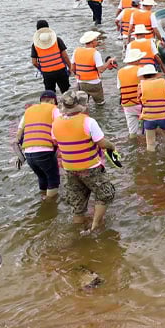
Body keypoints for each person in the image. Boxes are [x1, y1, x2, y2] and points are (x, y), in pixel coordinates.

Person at [51, 91, 117, 232]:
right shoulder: (88, 121)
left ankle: (77, 233)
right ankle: (95, 226)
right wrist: (112, 146)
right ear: (81, 105)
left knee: (78, 202)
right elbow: (102, 143)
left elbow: (56, 142)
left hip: (69, 168)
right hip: (90, 167)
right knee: (105, 194)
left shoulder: (55, 123)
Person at [16, 91, 60, 200]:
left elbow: (18, 134)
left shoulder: (28, 111)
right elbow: (61, 126)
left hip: (28, 153)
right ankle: (48, 205)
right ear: (53, 100)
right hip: (44, 151)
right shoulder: (54, 109)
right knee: (52, 178)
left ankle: (42, 197)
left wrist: (19, 155)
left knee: (42, 176)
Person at [71, 31, 116, 105]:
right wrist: (109, 62)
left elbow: (72, 68)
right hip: (94, 83)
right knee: (100, 105)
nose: (97, 41)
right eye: (96, 40)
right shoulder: (95, 53)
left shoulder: (76, 51)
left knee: (83, 105)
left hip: (80, 83)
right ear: (92, 42)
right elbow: (101, 70)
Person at [136, 65, 165, 151]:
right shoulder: (163, 83)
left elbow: (139, 100)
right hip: (164, 117)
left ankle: (151, 162)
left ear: (143, 76)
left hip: (149, 118)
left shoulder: (140, 86)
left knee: (150, 144)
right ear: (154, 74)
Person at [30, 23, 71, 94]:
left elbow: (34, 62)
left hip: (47, 73)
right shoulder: (57, 40)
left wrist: (42, 68)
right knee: (66, 91)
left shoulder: (35, 45)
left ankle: (53, 104)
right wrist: (70, 67)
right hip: (60, 70)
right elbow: (65, 56)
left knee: (50, 93)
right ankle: (67, 104)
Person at [116, 48, 145, 140]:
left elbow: (119, 88)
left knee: (132, 131)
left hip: (127, 105)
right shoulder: (140, 69)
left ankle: (133, 142)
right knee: (149, 126)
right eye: (140, 59)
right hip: (140, 103)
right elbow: (146, 86)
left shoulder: (120, 72)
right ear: (136, 60)